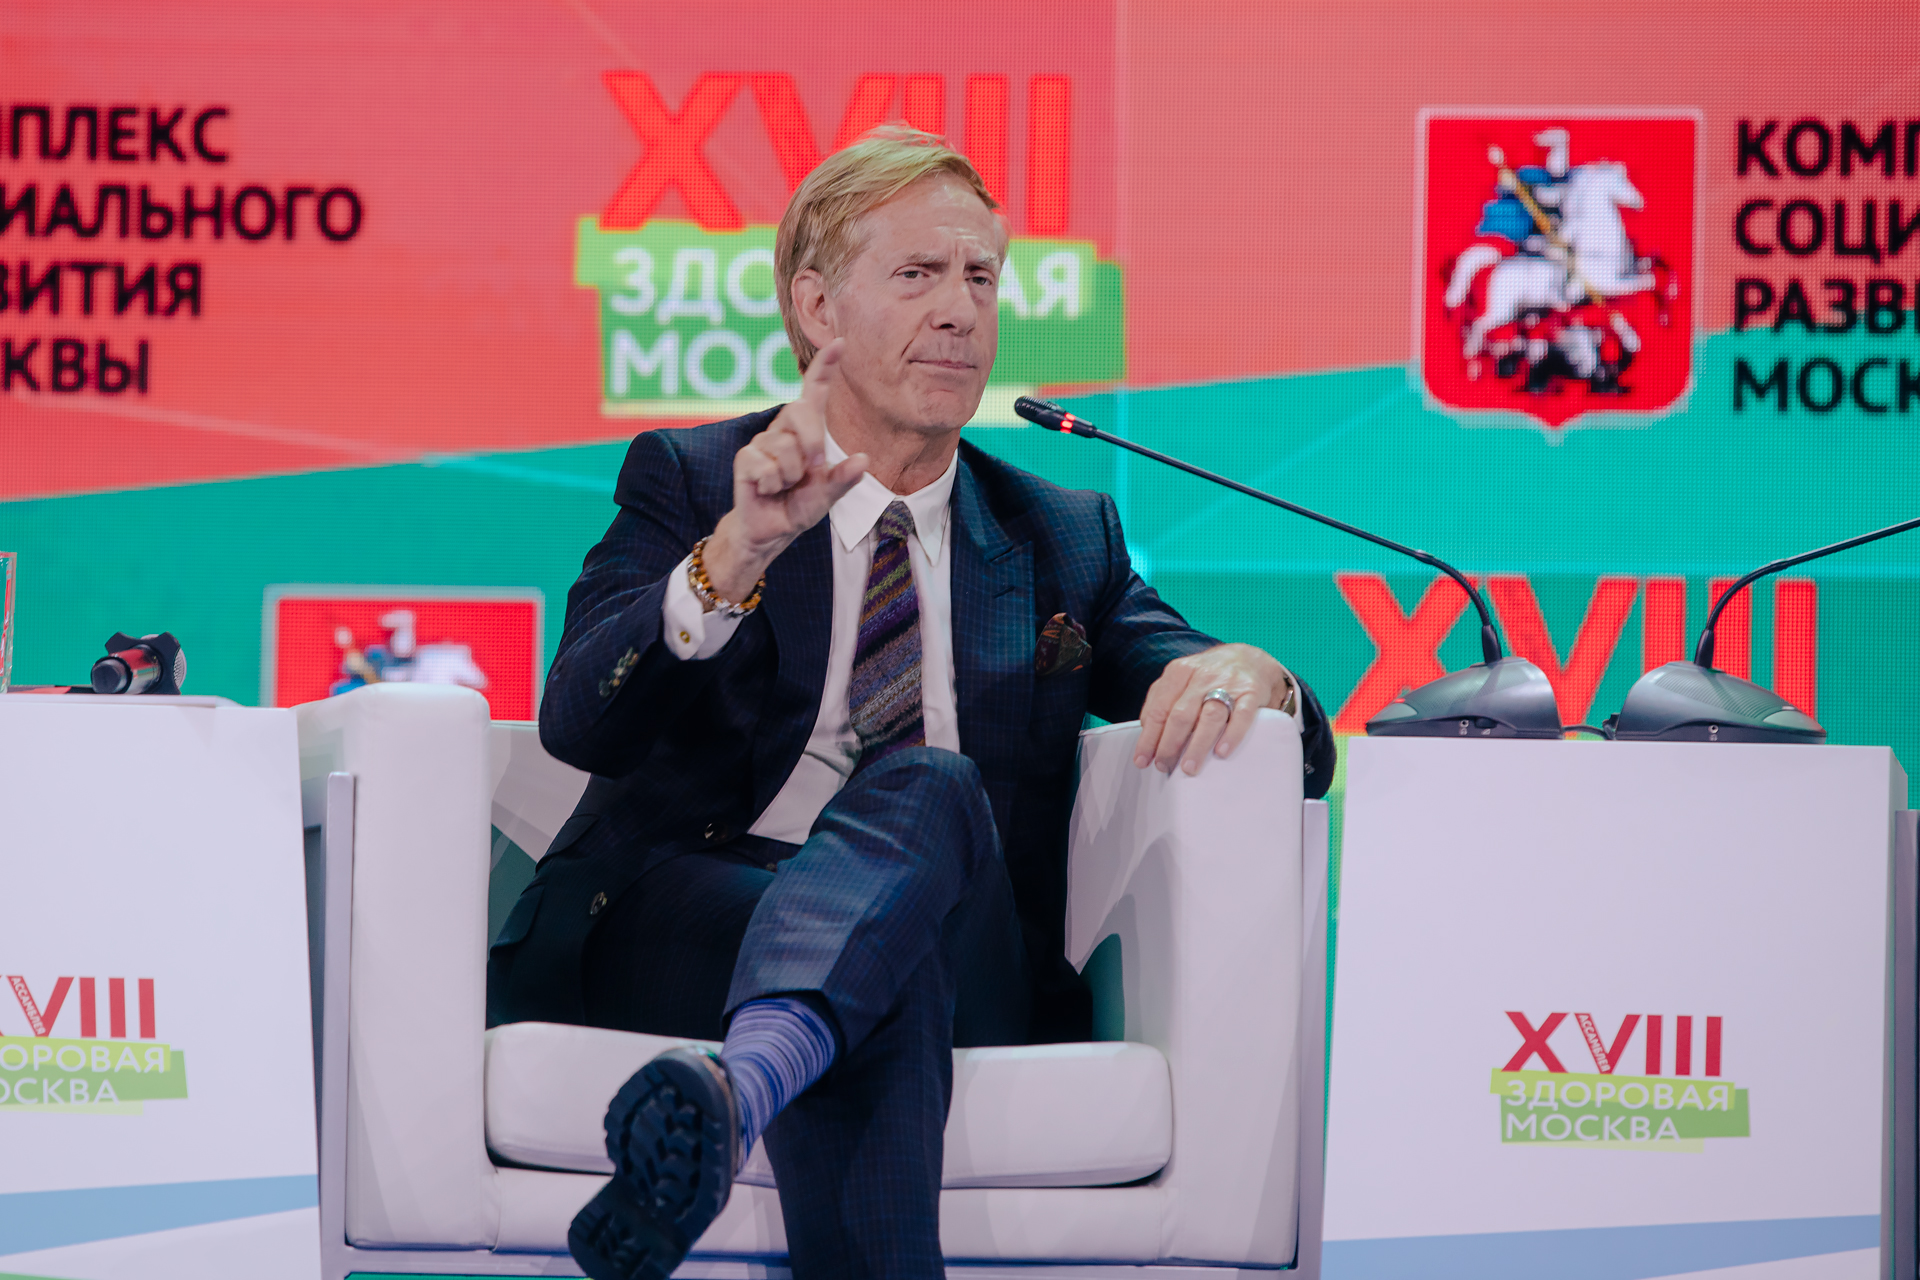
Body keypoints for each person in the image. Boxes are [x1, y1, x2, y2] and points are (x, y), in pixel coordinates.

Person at [487, 126, 1336, 1280]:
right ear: (817, 307)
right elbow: (581, 717)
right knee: (883, 972)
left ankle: (742, 1082)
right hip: (692, 917)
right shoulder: (696, 478)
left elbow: (1219, 683)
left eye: (981, 277)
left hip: (960, 930)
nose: (960, 311)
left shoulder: (1059, 533)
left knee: (928, 793)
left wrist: (1256, 671)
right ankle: (762, 1068)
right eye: (918, 273)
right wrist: (730, 558)